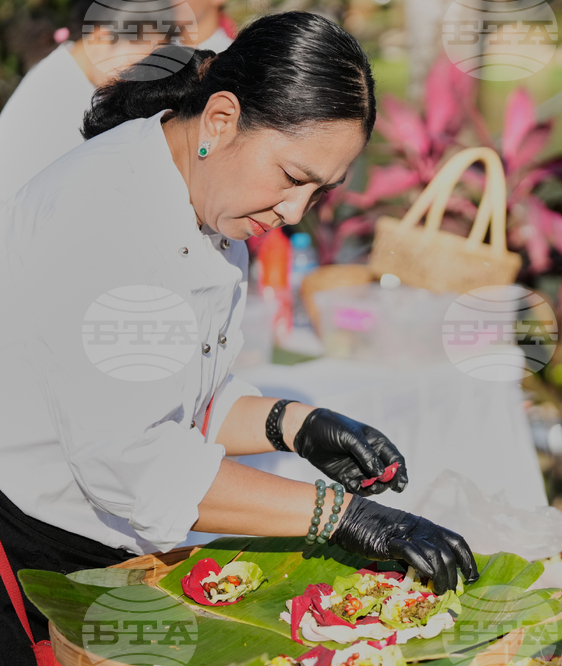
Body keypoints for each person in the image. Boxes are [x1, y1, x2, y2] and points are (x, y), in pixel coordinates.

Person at [0, 13, 476, 665]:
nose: (296, 212)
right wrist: (339, 516)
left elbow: (179, 398)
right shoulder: (106, 219)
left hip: (108, 541)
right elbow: (136, 464)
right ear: (221, 119)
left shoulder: (210, 195)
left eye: (320, 191)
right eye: (293, 177)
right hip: (34, 550)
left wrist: (295, 424)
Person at [0, 0, 234, 205]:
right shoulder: (66, 97)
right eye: (142, 63)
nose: (143, 77)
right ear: (101, 39)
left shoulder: (65, 69)